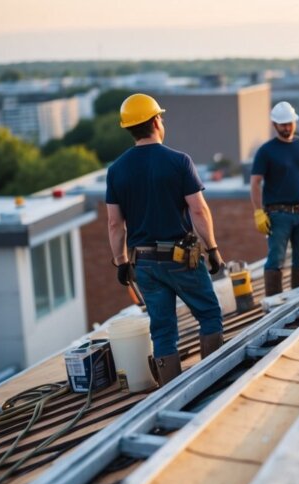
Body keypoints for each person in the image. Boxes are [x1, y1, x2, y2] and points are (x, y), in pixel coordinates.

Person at [107, 93, 225, 385]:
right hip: (180, 258)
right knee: (209, 315)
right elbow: (198, 210)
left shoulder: (116, 170)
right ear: (156, 121)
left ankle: (170, 391)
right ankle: (211, 381)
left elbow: (114, 223)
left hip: (144, 262)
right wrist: (212, 248)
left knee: (162, 331)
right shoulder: (178, 161)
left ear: (130, 128)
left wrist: (121, 262)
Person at [250, 101, 299, 295]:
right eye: (282, 124)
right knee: (276, 259)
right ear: (274, 125)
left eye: (289, 123)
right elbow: (255, 183)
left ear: (294, 122)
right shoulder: (266, 151)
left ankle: (298, 298)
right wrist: (259, 212)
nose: (287, 128)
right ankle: (274, 303)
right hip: (278, 215)